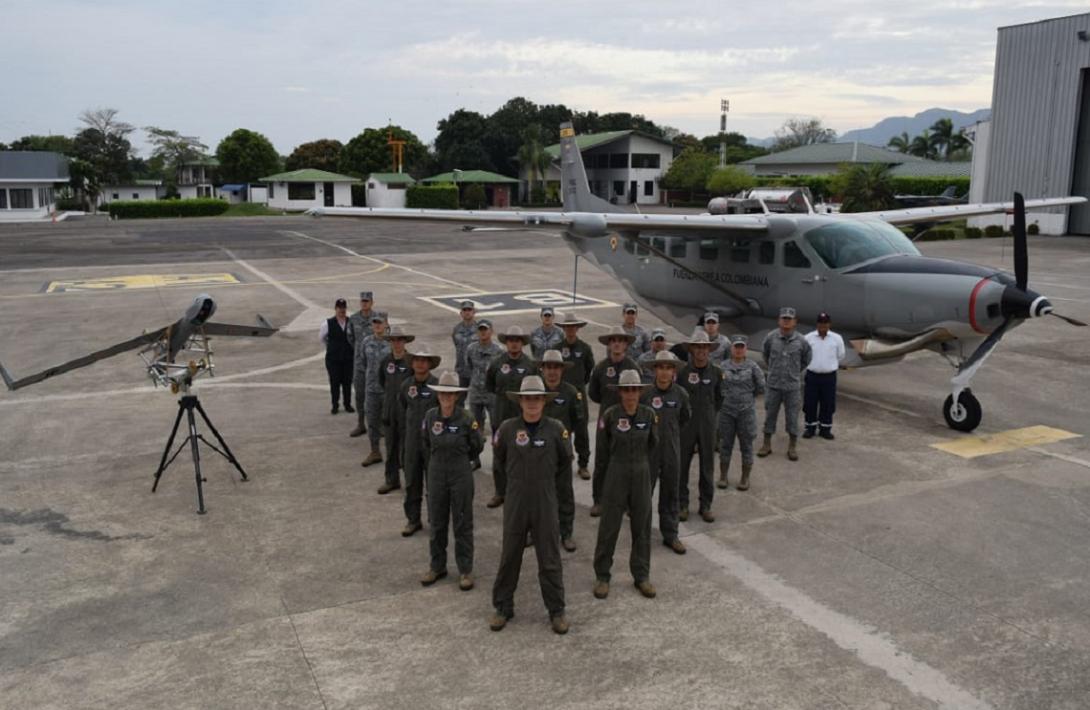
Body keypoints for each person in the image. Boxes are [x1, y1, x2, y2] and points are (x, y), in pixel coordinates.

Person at [490, 376, 572, 635]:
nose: (532, 403)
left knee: (549, 556)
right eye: (528, 398)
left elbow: (564, 463)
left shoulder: (556, 429)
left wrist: (545, 487)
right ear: (521, 401)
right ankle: (503, 606)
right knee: (510, 554)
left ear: (544, 401)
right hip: (516, 498)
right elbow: (499, 461)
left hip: (545, 499)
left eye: (537, 398)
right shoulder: (507, 429)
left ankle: (556, 610)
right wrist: (512, 488)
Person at [592, 369, 659, 601]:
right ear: (620, 392)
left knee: (642, 526)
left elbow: (653, 444)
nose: (630, 394)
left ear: (640, 392)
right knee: (609, 526)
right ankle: (602, 575)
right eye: (626, 390)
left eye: (634, 390)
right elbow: (602, 451)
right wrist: (599, 490)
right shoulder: (610, 416)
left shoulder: (649, 415)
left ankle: (641, 575)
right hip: (616, 472)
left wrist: (641, 466)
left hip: (641, 471)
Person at [420, 371, 484, 591]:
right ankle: (437, 566)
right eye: (443, 393)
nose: (446, 397)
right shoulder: (430, 417)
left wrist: (461, 458)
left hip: (460, 473)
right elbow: (425, 442)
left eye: (451, 394)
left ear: (456, 396)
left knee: (462, 522)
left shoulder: (466, 418)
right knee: (436, 522)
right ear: (438, 395)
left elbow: (478, 446)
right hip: (436, 472)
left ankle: (465, 569)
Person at [640, 351, 691, 554]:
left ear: (674, 372)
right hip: (649, 452)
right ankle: (642, 535)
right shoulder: (645, 395)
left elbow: (684, 419)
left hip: (671, 450)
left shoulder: (681, 394)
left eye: (668, 368)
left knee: (671, 493)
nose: (664, 372)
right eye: (660, 367)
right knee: (644, 494)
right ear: (654, 370)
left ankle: (671, 534)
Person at [587, 326, 639, 516]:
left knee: (626, 460)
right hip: (605, 420)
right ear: (609, 344)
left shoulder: (633, 368)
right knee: (602, 460)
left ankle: (625, 501)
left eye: (620, 340)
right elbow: (593, 393)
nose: (617, 343)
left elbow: (638, 394)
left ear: (625, 344)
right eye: (613, 340)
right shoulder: (600, 368)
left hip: (627, 420)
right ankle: (598, 500)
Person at [484, 325, 537, 508]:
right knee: (499, 454)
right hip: (500, 415)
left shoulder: (530, 365)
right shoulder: (497, 363)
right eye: (510, 340)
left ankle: (522, 491)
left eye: (517, 340)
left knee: (524, 453)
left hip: (523, 417)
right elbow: (489, 385)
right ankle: (500, 492)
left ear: (522, 343)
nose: (514, 343)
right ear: (506, 343)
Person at [677, 330, 725, 523]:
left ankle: (705, 505)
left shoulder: (716, 373)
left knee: (707, 467)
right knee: (682, 467)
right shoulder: (682, 373)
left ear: (709, 350)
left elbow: (719, 399)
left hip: (707, 425)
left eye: (704, 347)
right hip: (686, 426)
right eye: (697, 347)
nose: (701, 350)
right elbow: (678, 398)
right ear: (691, 350)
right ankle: (682, 505)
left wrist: (709, 416)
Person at [540, 349, 584, 553]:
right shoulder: (534, 392)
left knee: (564, 494)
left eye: (556, 367)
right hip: (537, 454)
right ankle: (536, 532)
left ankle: (566, 533)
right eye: (548, 367)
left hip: (562, 455)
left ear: (562, 370)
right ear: (542, 369)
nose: (552, 372)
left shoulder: (570, 392)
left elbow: (578, 423)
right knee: (537, 495)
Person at [396, 344, 441, 537]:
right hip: (412, 443)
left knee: (434, 484)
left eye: (424, 360)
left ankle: (435, 520)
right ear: (412, 363)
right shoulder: (406, 386)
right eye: (417, 360)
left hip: (432, 444)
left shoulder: (438, 386)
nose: (420, 363)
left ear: (430, 364)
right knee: (411, 482)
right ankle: (413, 520)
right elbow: (402, 410)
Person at [758, 307, 812, 462]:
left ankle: (792, 446)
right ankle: (766, 444)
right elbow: (765, 355)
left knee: (792, 417)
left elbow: (806, 359)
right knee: (770, 415)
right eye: (784, 318)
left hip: (792, 387)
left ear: (795, 322)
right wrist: (775, 370)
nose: (786, 321)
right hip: (774, 385)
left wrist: (793, 372)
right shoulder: (771, 338)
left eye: (789, 319)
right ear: (779, 320)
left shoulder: (801, 341)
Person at [717, 335, 765, 491]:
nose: (738, 350)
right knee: (725, 444)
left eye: (741, 347)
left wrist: (746, 398)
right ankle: (723, 475)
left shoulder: (753, 367)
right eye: (736, 346)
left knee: (746, 445)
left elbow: (761, 387)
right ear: (731, 349)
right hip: (726, 411)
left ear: (746, 349)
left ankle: (745, 478)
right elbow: (717, 386)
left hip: (746, 412)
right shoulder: (722, 366)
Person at [557, 312, 595, 480]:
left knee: (581, 430)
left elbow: (589, 370)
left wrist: (579, 384)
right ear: (564, 329)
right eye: (567, 327)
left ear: (578, 328)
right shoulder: (557, 348)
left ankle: (583, 464)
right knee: (561, 428)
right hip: (561, 394)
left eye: (573, 326)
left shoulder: (585, 348)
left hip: (578, 394)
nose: (570, 329)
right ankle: (561, 461)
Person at [377, 326, 415, 495]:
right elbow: (381, 382)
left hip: (407, 412)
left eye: (400, 339)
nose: (397, 343)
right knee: (391, 446)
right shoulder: (386, 361)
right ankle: (391, 480)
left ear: (405, 341)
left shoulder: (413, 361)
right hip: (390, 411)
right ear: (390, 342)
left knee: (408, 449)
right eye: (393, 340)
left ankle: (410, 482)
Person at [464, 319, 503, 467]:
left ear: (491, 331)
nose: (483, 332)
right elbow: (468, 367)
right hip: (475, 392)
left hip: (492, 393)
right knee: (475, 427)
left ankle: (498, 458)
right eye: (480, 329)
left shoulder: (499, 351)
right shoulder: (471, 349)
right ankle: (475, 458)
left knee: (496, 426)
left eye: (485, 329)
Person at [803, 312, 845, 440]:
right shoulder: (808, 338)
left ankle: (825, 429)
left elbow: (841, 355)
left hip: (829, 376)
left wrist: (828, 365)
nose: (823, 325)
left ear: (829, 324)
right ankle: (810, 428)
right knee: (810, 403)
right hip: (812, 375)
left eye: (825, 323)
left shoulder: (837, 338)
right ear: (817, 324)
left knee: (828, 403)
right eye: (821, 323)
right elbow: (803, 354)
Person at [360, 312, 390, 467]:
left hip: (387, 391)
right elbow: (363, 362)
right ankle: (375, 451)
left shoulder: (392, 343)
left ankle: (393, 454)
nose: (377, 325)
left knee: (390, 423)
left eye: (380, 322)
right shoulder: (366, 342)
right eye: (375, 322)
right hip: (371, 389)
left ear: (386, 324)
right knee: (371, 421)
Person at [346, 291, 376, 436]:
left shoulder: (378, 319)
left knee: (377, 395)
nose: (364, 303)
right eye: (363, 301)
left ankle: (377, 425)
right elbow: (350, 338)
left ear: (372, 302)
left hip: (374, 365)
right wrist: (360, 352)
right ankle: (360, 423)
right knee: (360, 395)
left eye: (367, 301)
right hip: (359, 365)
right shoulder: (353, 319)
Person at [319, 298, 354, 415]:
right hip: (333, 359)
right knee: (334, 383)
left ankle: (347, 404)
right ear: (335, 309)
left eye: (343, 308)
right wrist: (332, 347)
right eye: (339, 308)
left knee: (347, 382)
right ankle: (335, 405)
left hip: (348, 359)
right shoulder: (327, 323)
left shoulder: (351, 322)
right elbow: (322, 338)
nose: (342, 310)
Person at [451, 300, 478, 389]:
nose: (467, 312)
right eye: (465, 310)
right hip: (461, 371)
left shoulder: (480, 329)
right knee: (460, 399)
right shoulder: (457, 329)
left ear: (474, 312)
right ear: (461, 313)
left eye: (469, 310)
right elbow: (456, 345)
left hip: (475, 372)